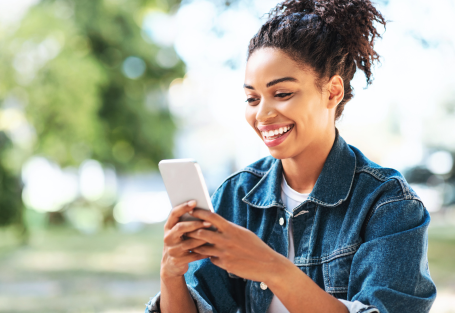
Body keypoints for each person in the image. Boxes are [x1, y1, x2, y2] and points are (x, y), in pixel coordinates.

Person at [146, 0, 437, 312]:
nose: (263, 114)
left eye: (282, 94)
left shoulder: (388, 204)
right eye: (252, 98)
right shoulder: (236, 196)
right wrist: (171, 275)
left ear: (333, 92)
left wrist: (273, 268)